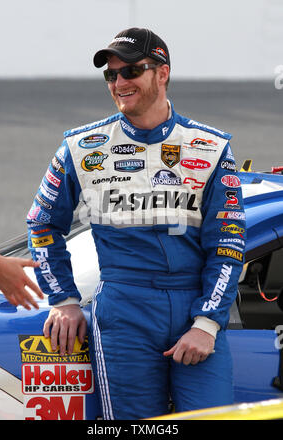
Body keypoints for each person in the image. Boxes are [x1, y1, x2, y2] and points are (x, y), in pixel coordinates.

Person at [27, 27, 246, 419]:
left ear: (162, 73)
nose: (119, 82)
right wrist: (63, 298)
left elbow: (228, 245)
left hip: (194, 309)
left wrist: (207, 323)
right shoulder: (80, 147)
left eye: (130, 71)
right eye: (111, 74)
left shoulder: (211, 148)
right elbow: (42, 224)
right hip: (123, 311)